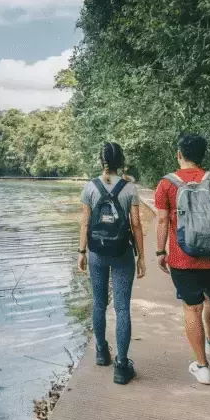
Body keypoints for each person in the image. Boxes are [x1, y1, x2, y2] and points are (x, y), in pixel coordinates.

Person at [155, 134, 210, 385]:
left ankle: (202, 367)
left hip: (183, 258)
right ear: (203, 155)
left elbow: (161, 220)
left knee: (192, 308)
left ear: (179, 154)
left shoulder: (166, 184)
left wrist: (161, 252)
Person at [78, 142, 145, 385]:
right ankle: (121, 366)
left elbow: (85, 223)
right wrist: (142, 258)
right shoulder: (129, 189)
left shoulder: (90, 187)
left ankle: (101, 352)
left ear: (101, 160)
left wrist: (81, 251)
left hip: (96, 252)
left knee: (98, 304)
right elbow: (136, 225)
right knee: (122, 308)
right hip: (122, 254)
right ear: (121, 161)